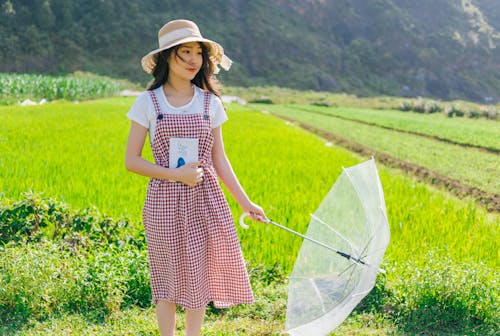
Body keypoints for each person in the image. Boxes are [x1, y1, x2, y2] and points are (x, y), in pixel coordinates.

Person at [125, 19, 266, 336]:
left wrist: (245, 203)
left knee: (199, 276)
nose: (192, 60)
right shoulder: (148, 103)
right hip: (162, 202)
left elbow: (220, 159)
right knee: (167, 277)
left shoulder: (210, 103)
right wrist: (175, 174)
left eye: (197, 53)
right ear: (166, 57)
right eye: (184, 52)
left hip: (205, 199)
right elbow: (131, 161)